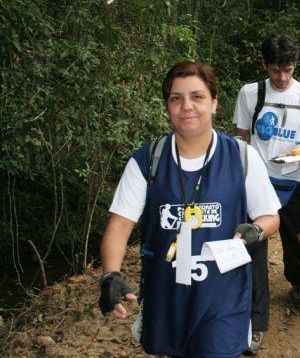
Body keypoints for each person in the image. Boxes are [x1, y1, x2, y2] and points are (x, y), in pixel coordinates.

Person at [99, 61, 281, 358]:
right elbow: (119, 225)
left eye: (197, 97)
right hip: (167, 295)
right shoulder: (149, 160)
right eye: (176, 98)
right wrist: (110, 275)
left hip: (224, 296)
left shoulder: (241, 156)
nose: (187, 106)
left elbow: (271, 216)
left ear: (214, 103)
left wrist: (256, 230)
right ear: (167, 105)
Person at [233, 33, 300, 354]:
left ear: (295, 65)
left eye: (287, 69)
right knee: (254, 249)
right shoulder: (251, 94)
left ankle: (299, 280)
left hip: (295, 182)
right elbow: (240, 140)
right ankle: (255, 322)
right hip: (257, 183)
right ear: (265, 65)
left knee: (297, 239)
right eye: (276, 70)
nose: (282, 77)